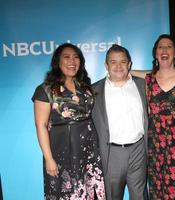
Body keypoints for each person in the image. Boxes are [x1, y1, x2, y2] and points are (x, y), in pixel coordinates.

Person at [32, 43, 106, 199]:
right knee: (66, 191)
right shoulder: (46, 89)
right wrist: (49, 158)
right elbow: (41, 125)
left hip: (89, 150)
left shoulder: (84, 86)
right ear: (57, 61)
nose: (72, 61)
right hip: (62, 151)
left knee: (90, 191)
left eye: (76, 57)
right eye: (66, 57)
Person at [132, 34, 175, 199]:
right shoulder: (148, 79)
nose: (164, 50)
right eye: (160, 47)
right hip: (156, 145)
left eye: (169, 46)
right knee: (158, 191)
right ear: (155, 53)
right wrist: (125, 68)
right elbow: (127, 71)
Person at [92, 44, 148, 200]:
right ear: (106, 65)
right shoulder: (94, 91)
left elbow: (165, 73)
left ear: (129, 65)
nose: (118, 66)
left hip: (139, 150)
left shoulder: (143, 85)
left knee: (140, 196)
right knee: (112, 196)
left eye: (123, 62)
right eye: (113, 62)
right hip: (111, 153)